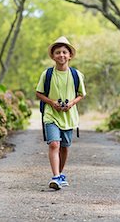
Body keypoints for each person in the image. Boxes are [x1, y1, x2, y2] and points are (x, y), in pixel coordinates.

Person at [35, 36, 86, 190]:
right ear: (53, 56)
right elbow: (39, 93)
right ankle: (56, 176)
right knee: (54, 144)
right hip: (51, 114)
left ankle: (60, 174)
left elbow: (81, 94)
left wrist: (71, 103)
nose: (61, 55)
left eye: (64, 52)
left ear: (70, 55)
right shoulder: (47, 74)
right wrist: (51, 103)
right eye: (58, 52)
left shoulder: (76, 75)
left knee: (64, 147)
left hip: (69, 116)